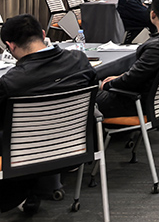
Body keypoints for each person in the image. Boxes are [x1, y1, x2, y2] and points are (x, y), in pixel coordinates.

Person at [0, 14, 97, 214]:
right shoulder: (79, 61)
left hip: (24, 156)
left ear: (10, 46)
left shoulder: (11, 83)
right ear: (43, 34)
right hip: (74, 149)